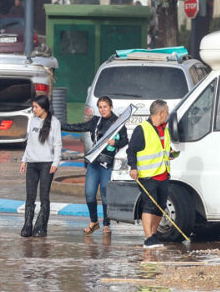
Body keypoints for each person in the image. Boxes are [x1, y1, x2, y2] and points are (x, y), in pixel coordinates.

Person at [61, 95, 129, 234]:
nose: (103, 110)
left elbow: (125, 140)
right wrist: (60, 125)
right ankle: (94, 221)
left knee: (104, 194)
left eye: (105, 107)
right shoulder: (95, 121)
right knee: (89, 193)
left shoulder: (118, 123)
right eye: (100, 107)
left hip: (107, 164)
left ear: (111, 107)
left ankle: (106, 223)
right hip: (94, 163)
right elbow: (79, 127)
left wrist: (115, 143)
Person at [127, 99, 176, 247]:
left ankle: (154, 235)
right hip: (147, 175)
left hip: (163, 173)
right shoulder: (142, 129)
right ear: (160, 113)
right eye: (166, 112)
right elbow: (131, 150)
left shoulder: (164, 128)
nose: (167, 115)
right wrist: (133, 167)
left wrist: (170, 153)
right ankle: (148, 238)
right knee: (149, 205)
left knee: (160, 206)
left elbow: (161, 149)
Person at [19, 95, 62, 237]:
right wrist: (24, 160)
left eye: (36, 107)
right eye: (33, 107)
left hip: (46, 164)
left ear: (44, 108)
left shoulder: (54, 123)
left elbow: (57, 144)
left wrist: (55, 163)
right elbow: (29, 142)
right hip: (32, 163)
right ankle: (27, 225)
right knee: (30, 196)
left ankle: (41, 227)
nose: (34, 109)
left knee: (44, 196)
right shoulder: (33, 121)